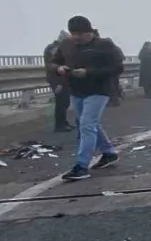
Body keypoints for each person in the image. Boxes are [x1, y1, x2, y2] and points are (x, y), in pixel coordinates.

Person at [50, 16, 124, 181]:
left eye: (80, 34)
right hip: (77, 90)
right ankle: (109, 153)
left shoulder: (104, 45)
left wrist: (88, 72)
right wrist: (59, 68)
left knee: (86, 125)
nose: (76, 37)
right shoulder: (67, 45)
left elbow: (117, 67)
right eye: (73, 33)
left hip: (99, 90)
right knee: (90, 124)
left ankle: (82, 166)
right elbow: (54, 63)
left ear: (89, 32)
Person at [43, 31, 74, 132]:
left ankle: (63, 122)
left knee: (64, 101)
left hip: (62, 78)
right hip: (56, 79)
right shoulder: (54, 48)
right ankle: (59, 125)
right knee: (61, 102)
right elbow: (53, 64)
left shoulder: (56, 47)